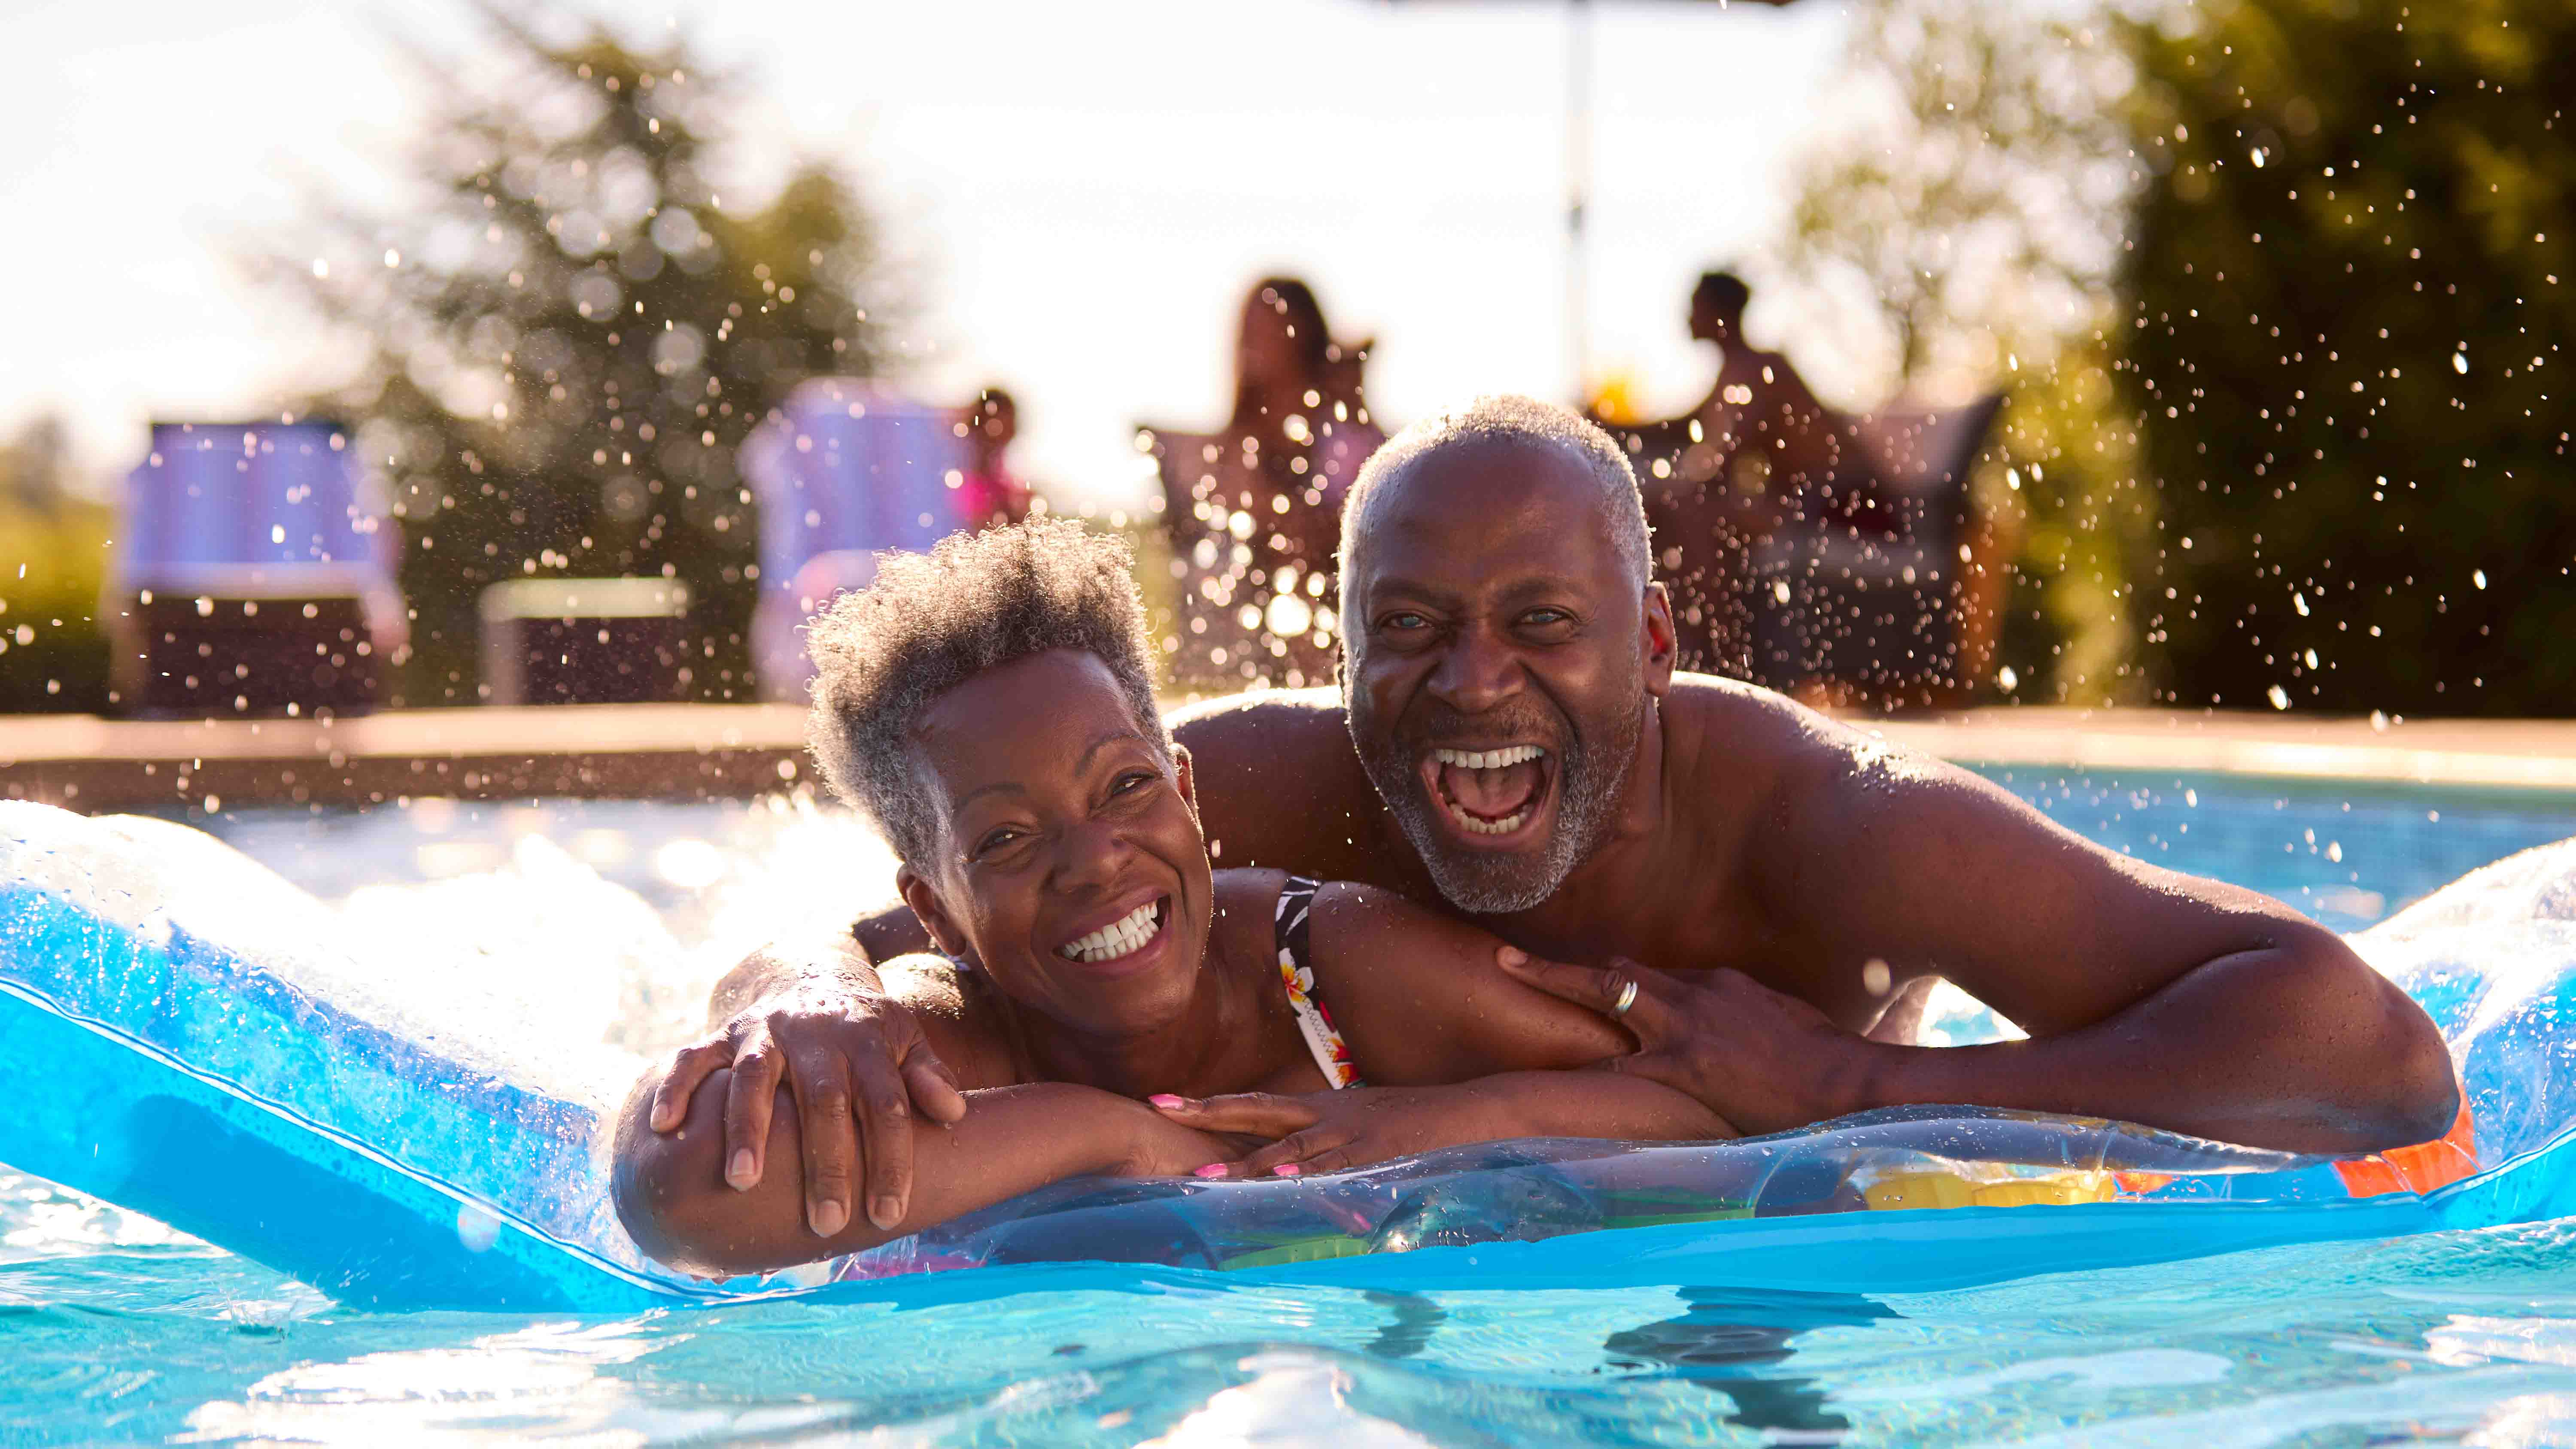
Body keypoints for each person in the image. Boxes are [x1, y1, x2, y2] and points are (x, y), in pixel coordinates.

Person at [653, 395, 2458, 1244]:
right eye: (1411, 635)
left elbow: (2370, 1056)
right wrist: (797, 989)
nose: (1470, 688)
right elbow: (952, 859)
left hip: (1794, 1250)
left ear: (1655, 646)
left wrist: (1850, 1093)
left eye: (1541, 627)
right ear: (1346, 656)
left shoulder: (1832, 827)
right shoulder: (1264, 778)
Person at [614, 519, 1725, 1275]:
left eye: (1129, 786)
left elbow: (1686, 1104)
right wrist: (1124, 1140)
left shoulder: (1321, 967)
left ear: (1189, 794)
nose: (1094, 860)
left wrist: (1442, 1121)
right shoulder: (935, 1044)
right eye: (1006, 836)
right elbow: (676, 1193)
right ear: (939, 913)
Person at [1146, 277, 1386, 690]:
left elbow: (1362, 527)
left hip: (1330, 632)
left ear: (1303, 335)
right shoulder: (1234, 445)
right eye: (1249, 326)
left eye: (1270, 325)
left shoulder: (1341, 431)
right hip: (1243, 645)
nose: (1254, 340)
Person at [953, 387, 1035, 531]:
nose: (1013, 427)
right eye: (1008, 419)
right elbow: (983, 529)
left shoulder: (997, 471)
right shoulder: (977, 475)